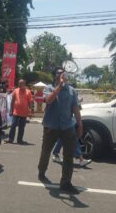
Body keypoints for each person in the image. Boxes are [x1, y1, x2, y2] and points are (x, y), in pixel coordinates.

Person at [37, 66, 83, 194]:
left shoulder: (72, 91)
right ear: (55, 76)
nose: (61, 75)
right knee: (46, 151)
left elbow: (75, 108)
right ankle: (41, 170)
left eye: (63, 73)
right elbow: (49, 100)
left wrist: (80, 124)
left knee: (68, 156)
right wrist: (60, 85)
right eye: (58, 73)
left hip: (67, 127)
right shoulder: (48, 88)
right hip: (51, 127)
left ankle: (66, 183)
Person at [5, 79, 32, 144]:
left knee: (21, 127)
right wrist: (11, 110)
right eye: (19, 83)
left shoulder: (28, 92)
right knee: (13, 126)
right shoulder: (15, 90)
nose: (19, 85)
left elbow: (30, 103)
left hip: (24, 112)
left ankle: (20, 140)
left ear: (24, 84)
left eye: (21, 83)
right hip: (16, 112)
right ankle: (10, 139)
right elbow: (12, 101)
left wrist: (30, 111)